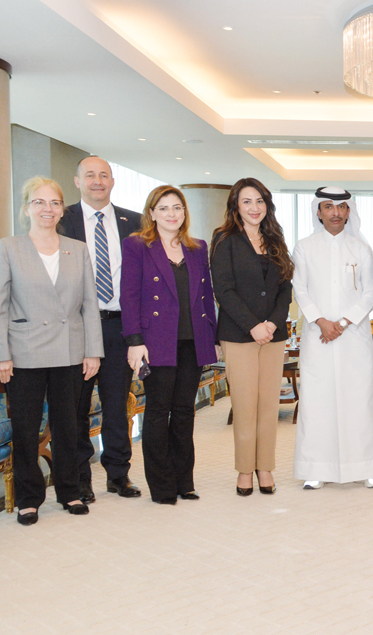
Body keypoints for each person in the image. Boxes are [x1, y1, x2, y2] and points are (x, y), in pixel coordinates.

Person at [0, 177, 103, 525]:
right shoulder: (8, 247)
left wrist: (93, 351)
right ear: (26, 209)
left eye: (54, 203)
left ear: (61, 209)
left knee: (69, 426)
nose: (47, 209)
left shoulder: (77, 248)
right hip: (23, 353)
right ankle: (28, 497)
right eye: (39, 202)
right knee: (25, 429)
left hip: (70, 350)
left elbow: (88, 304)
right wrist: (0, 354)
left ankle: (69, 491)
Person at [121, 185, 218, 505]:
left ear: (185, 213)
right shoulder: (137, 245)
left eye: (177, 207)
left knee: (184, 412)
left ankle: (184, 481)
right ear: (151, 213)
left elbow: (206, 297)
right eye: (163, 208)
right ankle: (162, 485)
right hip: (156, 342)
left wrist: (213, 338)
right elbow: (130, 295)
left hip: (192, 340)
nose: (172, 214)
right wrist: (134, 341)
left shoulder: (197, 247)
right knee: (158, 412)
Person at [59, 156, 143, 503]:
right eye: (90, 175)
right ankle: (80, 477)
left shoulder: (135, 222)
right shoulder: (61, 220)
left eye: (103, 175)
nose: (97, 181)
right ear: (77, 181)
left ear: (112, 181)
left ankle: (118, 474)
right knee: (76, 405)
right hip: (76, 326)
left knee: (115, 403)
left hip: (118, 325)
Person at [292, 187, 373, 489]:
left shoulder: (361, 248)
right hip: (318, 335)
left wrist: (343, 322)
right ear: (318, 212)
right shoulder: (304, 247)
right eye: (328, 207)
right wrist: (321, 320)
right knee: (317, 400)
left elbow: (372, 290)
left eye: (341, 207)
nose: (335, 213)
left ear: (349, 212)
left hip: (353, 335)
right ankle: (317, 469)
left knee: (359, 399)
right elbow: (300, 288)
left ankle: (366, 467)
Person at [210, 178, 293, 496]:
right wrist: (253, 325)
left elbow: (285, 286)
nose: (254, 207)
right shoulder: (225, 239)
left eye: (259, 201)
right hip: (239, 334)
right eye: (247, 201)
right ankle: (245, 470)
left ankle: (265, 467)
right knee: (245, 405)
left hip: (273, 335)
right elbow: (223, 289)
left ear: (266, 204)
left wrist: (272, 323)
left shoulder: (275, 237)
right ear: (235, 206)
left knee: (268, 404)